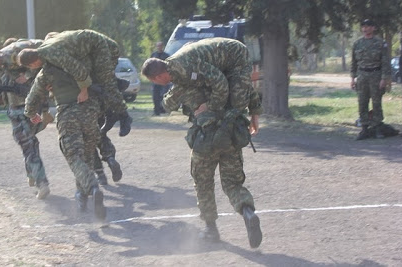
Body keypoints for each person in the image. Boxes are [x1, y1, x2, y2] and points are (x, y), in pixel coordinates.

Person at [141, 37, 263, 248]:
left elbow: (167, 103)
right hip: (231, 134)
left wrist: (205, 107)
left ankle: (210, 230)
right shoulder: (228, 77)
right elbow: (247, 90)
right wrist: (254, 115)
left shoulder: (183, 83)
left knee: (203, 182)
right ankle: (247, 212)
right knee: (233, 183)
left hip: (206, 139)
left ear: (160, 75)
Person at [24, 63, 107, 221]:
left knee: (74, 156)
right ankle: (81, 196)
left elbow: (33, 96)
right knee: (87, 155)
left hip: (68, 115)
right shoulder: (81, 63)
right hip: (90, 113)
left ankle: (92, 187)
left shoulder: (48, 71)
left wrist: (30, 113)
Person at [0, 39, 52, 200]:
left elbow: (41, 62)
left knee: (28, 144)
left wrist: (28, 76)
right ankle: (32, 173)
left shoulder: (15, 55)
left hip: (27, 108)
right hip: (15, 110)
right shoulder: (2, 69)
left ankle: (41, 182)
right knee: (27, 142)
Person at [17, 29, 133, 137]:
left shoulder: (51, 54)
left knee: (107, 81)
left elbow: (78, 70)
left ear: (33, 63)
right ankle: (111, 113)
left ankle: (124, 116)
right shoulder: (45, 52)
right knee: (97, 82)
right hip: (91, 49)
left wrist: (83, 90)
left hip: (101, 46)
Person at [351, 19, 390, 140]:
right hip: (362, 75)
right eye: (363, 27)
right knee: (362, 102)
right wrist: (352, 78)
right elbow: (354, 63)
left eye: (368, 26)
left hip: (376, 75)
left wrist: (384, 78)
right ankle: (364, 129)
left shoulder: (380, 43)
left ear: (373, 28)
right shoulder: (357, 44)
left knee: (376, 102)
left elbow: (385, 62)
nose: (365, 29)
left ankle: (377, 128)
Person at [150, 41, 169, 115]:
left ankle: (162, 109)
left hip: (163, 79)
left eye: (160, 46)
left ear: (162, 47)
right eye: (158, 46)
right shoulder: (153, 55)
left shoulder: (166, 56)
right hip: (155, 78)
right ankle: (156, 110)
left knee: (163, 95)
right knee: (155, 95)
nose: (159, 47)